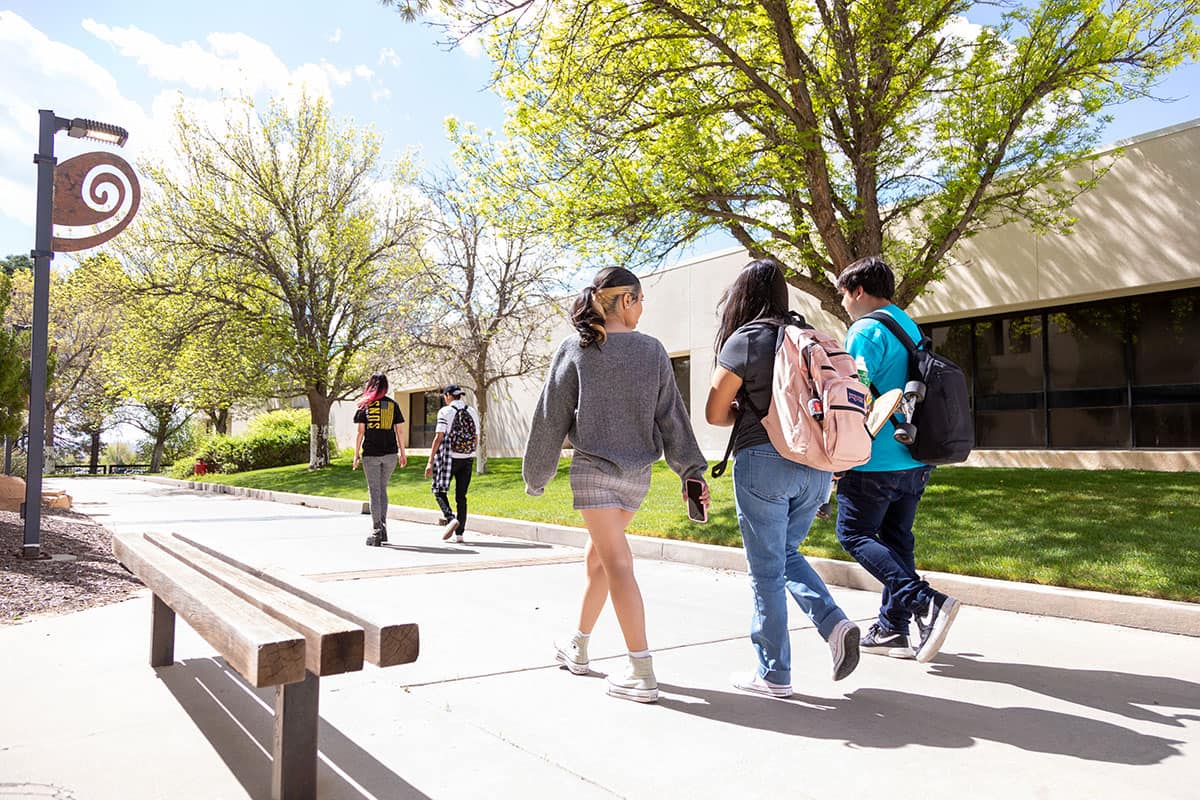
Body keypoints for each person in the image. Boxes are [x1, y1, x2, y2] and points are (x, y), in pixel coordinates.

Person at [524, 266, 709, 704]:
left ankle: (641, 670)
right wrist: (690, 469)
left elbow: (551, 416)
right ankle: (579, 646)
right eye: (641, 300)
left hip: (595, 471)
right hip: (636, 477)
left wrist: (537, 476)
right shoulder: (652, 351)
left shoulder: (576, 349)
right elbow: (672, 418)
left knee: (617, 563)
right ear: (626, 300)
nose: (643, 309)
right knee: (600, 562)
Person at [705, 258, 861, 698]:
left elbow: (714, 413)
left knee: (766, 572)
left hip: (764, 465)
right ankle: (835, 625)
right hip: (815, 468)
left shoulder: (746, 339)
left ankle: (774, 673)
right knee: (785, 554)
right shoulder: (806, 336)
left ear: (742, 297)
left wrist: (744, 408)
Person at [835, 255, 960, 662]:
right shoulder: (907, 325)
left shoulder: (866, 329)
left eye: (843, 296)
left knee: (853, 533)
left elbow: (855, 392)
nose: (843, 305)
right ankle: (891, 628)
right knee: (896, 539)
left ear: (857, 291)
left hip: (876, 457)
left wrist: (837, 457)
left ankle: (924, 601)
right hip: (915, 456)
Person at [353, 373, 407, 547]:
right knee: (382, 489)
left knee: (374, 491)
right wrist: (403, 453)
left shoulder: (364, 405)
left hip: (371, 454)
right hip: (390, 454)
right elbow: (399, 431)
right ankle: (382, 530)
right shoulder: (393, 405)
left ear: (370, 385)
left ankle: (376, 530)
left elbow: (360, 433)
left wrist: (356, 455)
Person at [424, 384, 480, 543]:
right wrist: (469, 452)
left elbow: (439, 437)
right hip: (467, 458)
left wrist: (430, 460)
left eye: (444, 395)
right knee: (461, 496)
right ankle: (460, 534)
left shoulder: (445, 411)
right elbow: (475, 438)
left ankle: (450, 518)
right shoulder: (472, 411)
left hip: (449, 458)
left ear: (448, 395)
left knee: (438, 490)